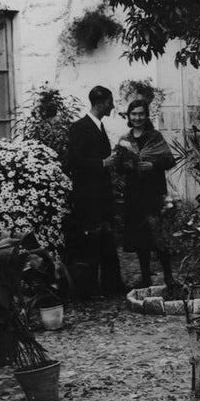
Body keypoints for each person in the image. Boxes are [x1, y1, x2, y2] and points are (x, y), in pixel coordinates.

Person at [64, 86, 123, 298]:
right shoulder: (80, 127)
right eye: (110, 102)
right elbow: (73, 161)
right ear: (100, 103)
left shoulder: (99, 126)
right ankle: (86, 288)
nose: (112, 106)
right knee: (90, 243)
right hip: (88, 196)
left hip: (101, 195)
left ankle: (111, 285)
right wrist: (103, 163)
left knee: (105, 240)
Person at [114, 100, 177, 289]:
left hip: (154, 193)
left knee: (159, 236)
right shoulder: (125, 140)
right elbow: (118, 166)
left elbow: (169, 160)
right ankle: (146, 278)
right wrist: (126, 165)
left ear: (146, 115)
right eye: (133, 114)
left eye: (141, 114)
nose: (137, 118)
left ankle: (169, 278)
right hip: (135, 194)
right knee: (141, 238)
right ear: (128, 116)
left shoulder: (155, 137)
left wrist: (153, 165)